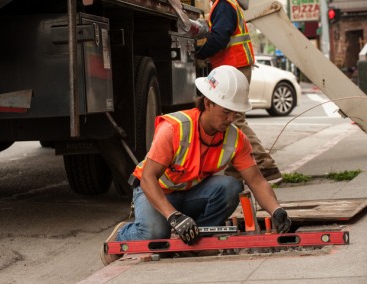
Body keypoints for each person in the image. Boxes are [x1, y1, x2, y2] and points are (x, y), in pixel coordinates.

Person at [100, 66, 291, 265]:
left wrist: (276, 210)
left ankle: (193, 241)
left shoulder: (236, 139)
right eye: (226, 112)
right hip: (156, 192)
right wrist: (173, 216)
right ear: (208, 103)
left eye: (235, 113)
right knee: (155, 233)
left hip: (190, 193)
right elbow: (148, 179)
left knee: (232, 187)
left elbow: (256, 181)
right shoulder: (174, 129)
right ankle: (123, 234)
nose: (231, 119)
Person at [196, 0, 281, 181]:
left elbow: (220, 38)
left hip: (233, 68)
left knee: (232, 119)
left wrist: (200, 53)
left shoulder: (223, 5)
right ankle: (237, 165)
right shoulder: (229, 4)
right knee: (229, 118)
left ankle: (263, 163)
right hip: (236, 67)